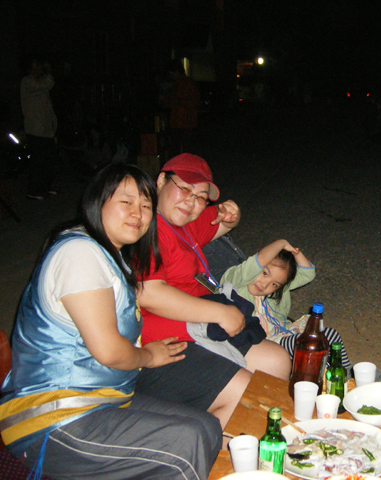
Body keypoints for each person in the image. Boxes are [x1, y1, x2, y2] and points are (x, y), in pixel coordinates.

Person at [0, 164, 221, 479]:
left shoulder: (111, 255)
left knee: (206, 426)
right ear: (97, 201)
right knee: (185, 442)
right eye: (126, 201)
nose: (138, 213)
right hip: (52, 419)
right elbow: (109, 351)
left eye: (146, 205)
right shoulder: (79, 253)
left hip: (104, 400)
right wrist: (149, 356)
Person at [136, 153, 291, 427]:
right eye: (185, 188)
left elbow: (222, 222)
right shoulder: (147, 229)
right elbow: (149, 293)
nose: (191, 201)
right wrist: (219, 313)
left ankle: (254, 433)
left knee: (277, 361)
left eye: (201, 197)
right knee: (246, 392)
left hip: (203, 322)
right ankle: (213, 441)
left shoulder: (183, 223)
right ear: (160, 181)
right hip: (167, 335)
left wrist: (232, 215)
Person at [191, 239, 352, 369]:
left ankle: (345, 372)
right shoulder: (237, 283)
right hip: (268, 344)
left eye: (275, 284)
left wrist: (295, 253)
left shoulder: (277, 291)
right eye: (264, 273)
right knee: (310, 342)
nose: (265, 284)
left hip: (286, 333)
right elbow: (258, 262)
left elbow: (307, 274)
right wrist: (281, 243)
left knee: (329, 335)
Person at [21, 58, 58, 200]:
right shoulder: (27, 82)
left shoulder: (41, 82)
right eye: (34, 67)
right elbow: (44, 85)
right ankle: (34, 190)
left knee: (48, 161)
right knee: (37, 161)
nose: (38, 70)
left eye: (39, 67)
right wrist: (48, 73)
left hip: (47, 130)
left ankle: (46, 187)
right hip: (35, 130)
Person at [161, 60, 200, 155]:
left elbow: (192, 102)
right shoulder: (180, 83)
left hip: (183, 122)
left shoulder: (184, 84)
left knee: (180, 149)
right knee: (183, 149)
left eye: (171, 73)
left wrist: (169, 100)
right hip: (182, 122)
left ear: (176, 72)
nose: (170, 76)